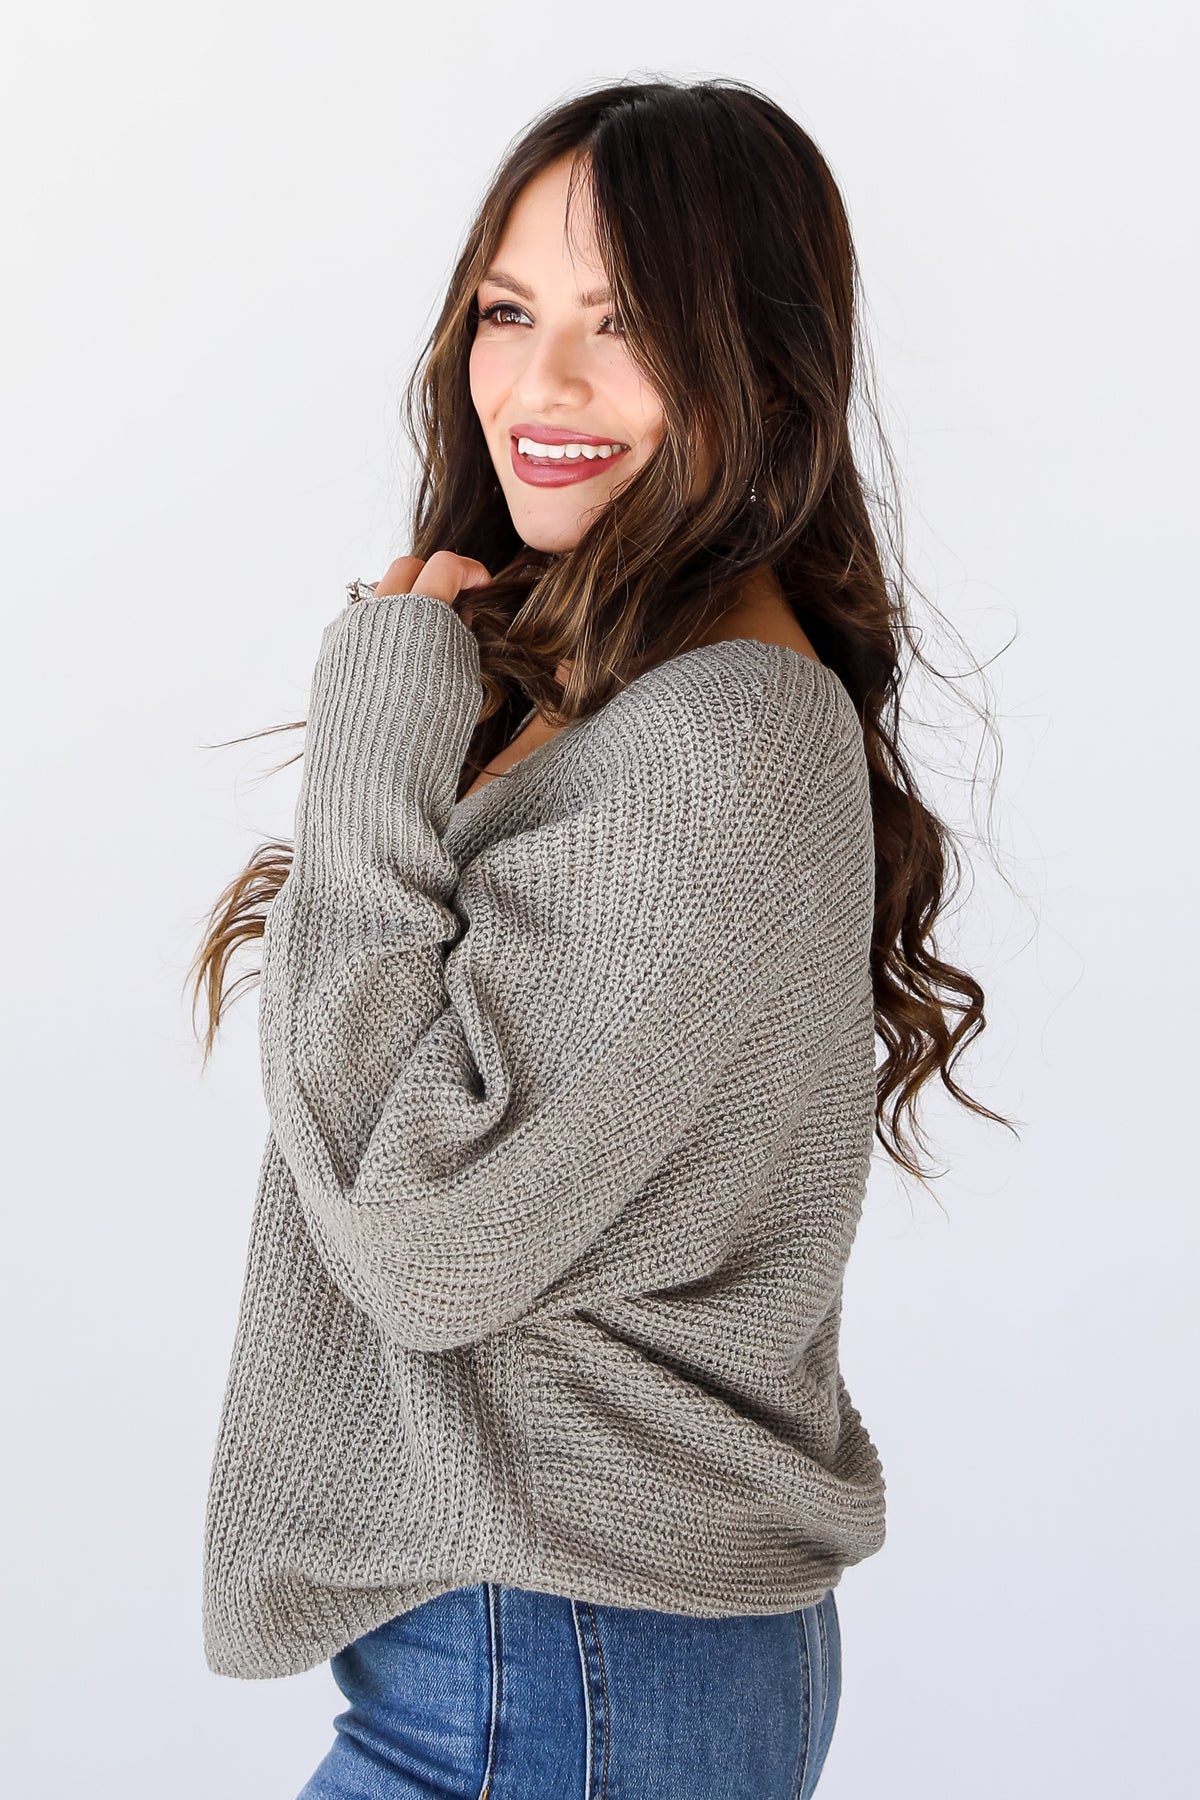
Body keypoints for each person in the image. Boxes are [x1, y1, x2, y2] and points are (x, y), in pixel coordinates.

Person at [189, 76, 1010, 1800]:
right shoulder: (625, 689)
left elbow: (424, 1242)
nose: (541, 384)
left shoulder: (715, 737)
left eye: (624, 323)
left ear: (764, 368)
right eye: (509, 312)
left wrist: (377, 740)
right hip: (557, 1647)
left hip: (561, 1657)